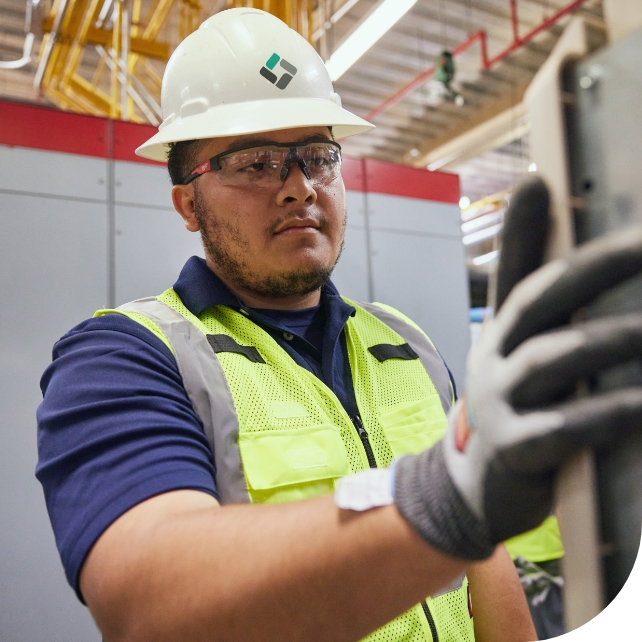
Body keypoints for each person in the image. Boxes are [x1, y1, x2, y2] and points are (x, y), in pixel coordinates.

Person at [36, 8, 642, 642]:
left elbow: (480, 555)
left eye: (319, 156)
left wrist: (470, 499)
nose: (299, 187)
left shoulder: (403, 342)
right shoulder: (123, 357)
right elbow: (148, 602)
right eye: (255, 162)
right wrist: (446, 498)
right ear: (189, 202)